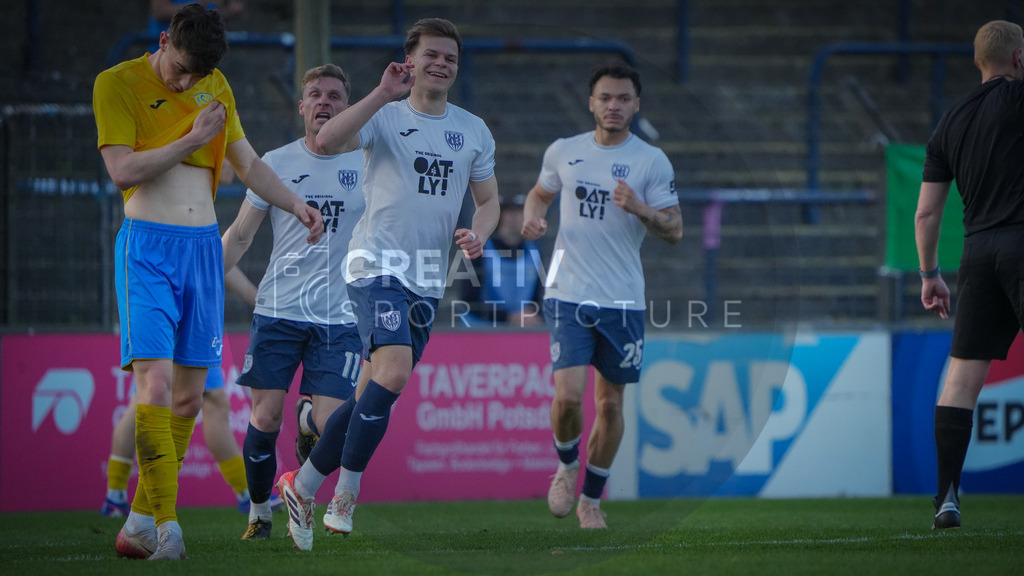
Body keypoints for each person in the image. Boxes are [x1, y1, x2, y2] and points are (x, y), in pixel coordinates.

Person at [93, 3, 323, 560]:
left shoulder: (214, 83)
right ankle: (168, 529)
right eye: (182, 68)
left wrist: (295, 203)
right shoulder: (116, 83)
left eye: (198, 74)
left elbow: (246, 164)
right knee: (153, 387)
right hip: (147, 248)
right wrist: (191, 138)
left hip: (202, 253)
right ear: (165, 38)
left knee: (191, 398)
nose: (188, 80)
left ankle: (141, 523)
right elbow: (122, 171)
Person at [275, 17, 500, 551]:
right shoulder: (386, 115)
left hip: (426, 281)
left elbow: (488, 201)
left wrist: (479, 234)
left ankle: (303, 485)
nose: (441, 64)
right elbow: (326, 139)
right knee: (394, 373)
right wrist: (379, 92)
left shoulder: (473, 130)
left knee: (374, 392)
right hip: (374, 265)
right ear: (411, 59)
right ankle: (346, 494)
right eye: (431, 55)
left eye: (450, 57)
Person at [521, 60, 681, 529]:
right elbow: (538, 194)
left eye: (623, 98)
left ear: (636, 105)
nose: (614, 105)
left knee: (610, 405)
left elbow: (675, 230)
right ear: (591, 102)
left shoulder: (651, 160)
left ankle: (591, 499)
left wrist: (640, 208)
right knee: (568, 398)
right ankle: (567, 466)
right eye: (606, 97)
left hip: (624, 300)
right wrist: (534, 218)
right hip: (568, 293)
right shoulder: (564, 151)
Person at [219, 63, 368, 541]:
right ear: (302, 106)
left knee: (330, 425)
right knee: (263, 418)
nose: (325, 102)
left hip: (340, 317)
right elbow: (241, 235)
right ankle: (259, 514)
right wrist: (200, 277)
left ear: (349, 107)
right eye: (315, 95)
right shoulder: (277, 162)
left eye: (335, 96)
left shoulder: (368, 164)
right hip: (280, 311)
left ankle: (306, 423)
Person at [914, 19, 1024, 531]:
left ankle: (946, 497)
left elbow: (927, 214)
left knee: (960, 380)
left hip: (977, 253)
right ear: (1018, 59)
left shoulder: (949, 123)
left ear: (977, 62)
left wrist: (929, 273)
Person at [100, 270, 282, 519]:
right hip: (184, 306)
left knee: (164, 397)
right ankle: (245, 492)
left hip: (181, 303)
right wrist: (261, 301)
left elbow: (219, 254)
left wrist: (260, 300)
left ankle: (116, 495)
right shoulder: (185, 238)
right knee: (184, 398)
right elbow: (220, 255)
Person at [455, 194, 545, 328]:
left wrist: (530, 314)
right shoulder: (480, 250)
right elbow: (469, 301)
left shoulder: (534, 252)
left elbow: (539, 297)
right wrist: (509, 318)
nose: (515, 217)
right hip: (483, 329)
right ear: (500, 216)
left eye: (520, 211)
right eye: (509, 211)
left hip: (522, 328)